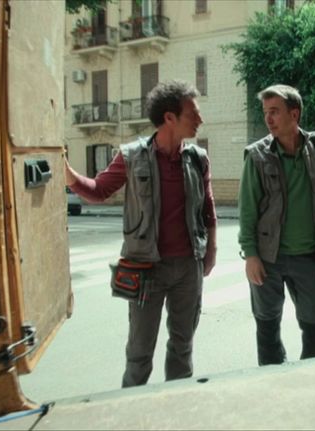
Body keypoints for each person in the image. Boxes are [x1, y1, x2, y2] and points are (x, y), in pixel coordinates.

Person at [64, 80, 217, 387]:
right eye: (193, 114)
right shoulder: (132, 156)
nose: (200, 119)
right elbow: (99, 190)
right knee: (139, 353)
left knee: (182, 348)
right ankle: (132, 406)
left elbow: (208, 208)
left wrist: (210, 251)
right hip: (146, 269)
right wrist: (67, 173)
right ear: (170, 118)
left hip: (188, 268)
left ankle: (176, 405)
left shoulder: (197, 158)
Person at [238, 84, 315, 365]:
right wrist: (251, 255)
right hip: (268, 259)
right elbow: (247, 211)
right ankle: (274, 379)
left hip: (310, 256)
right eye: (266, 112)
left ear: (294, 114)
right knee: (267, 328)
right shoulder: (257, 156)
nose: (268, 119)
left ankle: (310, 380)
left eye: (274, 111)